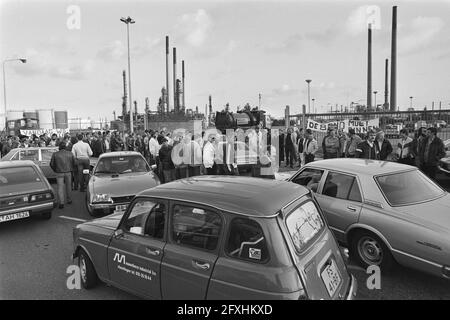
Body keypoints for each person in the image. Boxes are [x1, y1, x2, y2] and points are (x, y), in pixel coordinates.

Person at [50, 142, 76, 209]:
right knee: (68, 186)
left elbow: (52, 164)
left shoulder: (55, 154)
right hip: (68, 172)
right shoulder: (70, 153)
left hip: (59, 172)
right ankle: (69, 199)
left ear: (59, 147)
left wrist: (55, 170)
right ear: (65, 147)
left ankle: (61, 202)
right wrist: (72, 169)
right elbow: (74, 163)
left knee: (60, 188)